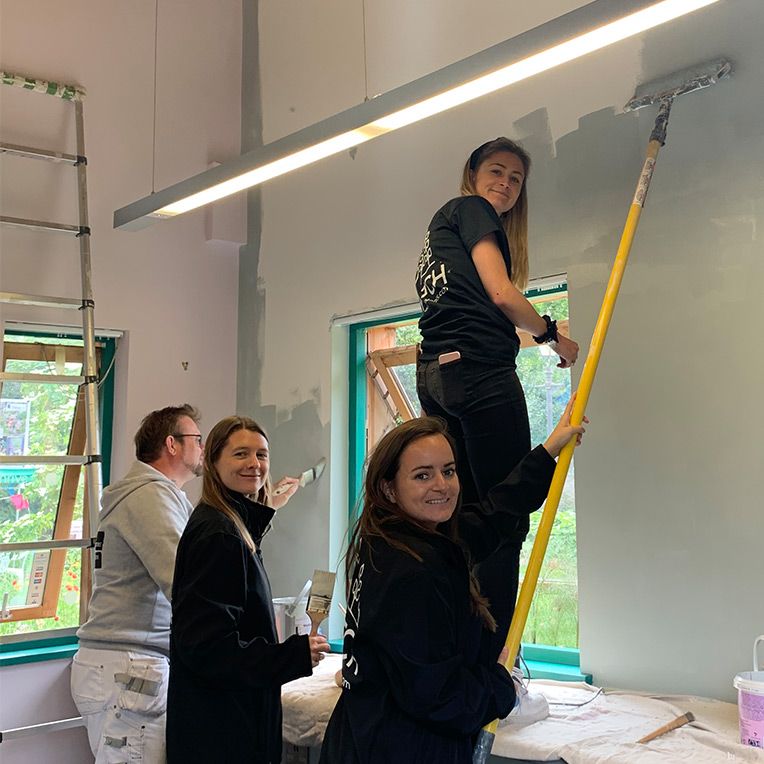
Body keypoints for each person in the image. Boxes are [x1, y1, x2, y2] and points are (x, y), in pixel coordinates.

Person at [320, 399, 585, 764]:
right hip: (402, 750)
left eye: (449, 470)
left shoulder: (391, 539)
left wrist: (547, 450)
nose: (442, 486)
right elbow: (441, 698)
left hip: (367, 737)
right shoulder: (411, 571)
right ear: (388, 488)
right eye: (422, 475)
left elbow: (492, 514)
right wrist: (499, 685)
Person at [415, 136, 581, 656]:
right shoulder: (472, 209)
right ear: (473, 172)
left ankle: (459, 649)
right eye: (497, 170)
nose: (505, 184)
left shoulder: (440, 231)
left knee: (458, 512)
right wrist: (554, 335)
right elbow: (502, 292)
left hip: (438, 375)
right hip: (480, 376)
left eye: (515, 179)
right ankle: (494, 664)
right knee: (504, 515)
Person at [166, 416, 330, 763]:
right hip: (221, 736)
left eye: (262, 455)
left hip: (226, 728)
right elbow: (209, 648)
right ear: (212, 461)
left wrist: (263, 513)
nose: (254, 464)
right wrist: (292, 656)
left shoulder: (229, 525)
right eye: (241, 454)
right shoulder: (218, 535)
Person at [71, 404, 204, 763]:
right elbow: (184, 579)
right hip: (128, 666)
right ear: (172, 444)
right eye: (197, 439)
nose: (203, 448)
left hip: (119, 665)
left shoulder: (152, 495)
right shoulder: (150, 496)